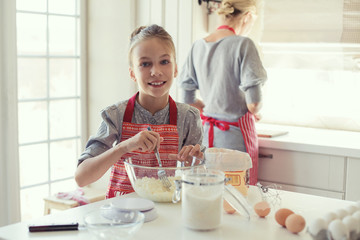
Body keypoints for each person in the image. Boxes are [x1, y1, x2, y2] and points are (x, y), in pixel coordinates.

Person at [75, 24, 205, 198]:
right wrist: (124, 146)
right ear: (132, 73)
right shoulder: (115, 115)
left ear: (175, 69)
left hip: (167, 215)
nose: (156, 71)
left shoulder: (189, 117)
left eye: (164, 62)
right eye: (145, 64)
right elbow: (81, 177)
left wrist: (194, 164)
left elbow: (201, 183)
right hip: (123, 217)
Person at [177, 0, 267, 185]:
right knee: (236, 193)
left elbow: (188, 100)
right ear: (248, 17)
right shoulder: (244, 45)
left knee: (209, 190)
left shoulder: (198, 46)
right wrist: (255, 112)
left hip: (206, 136)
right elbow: (254, 104)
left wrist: (211, 107)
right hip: (236, 139)